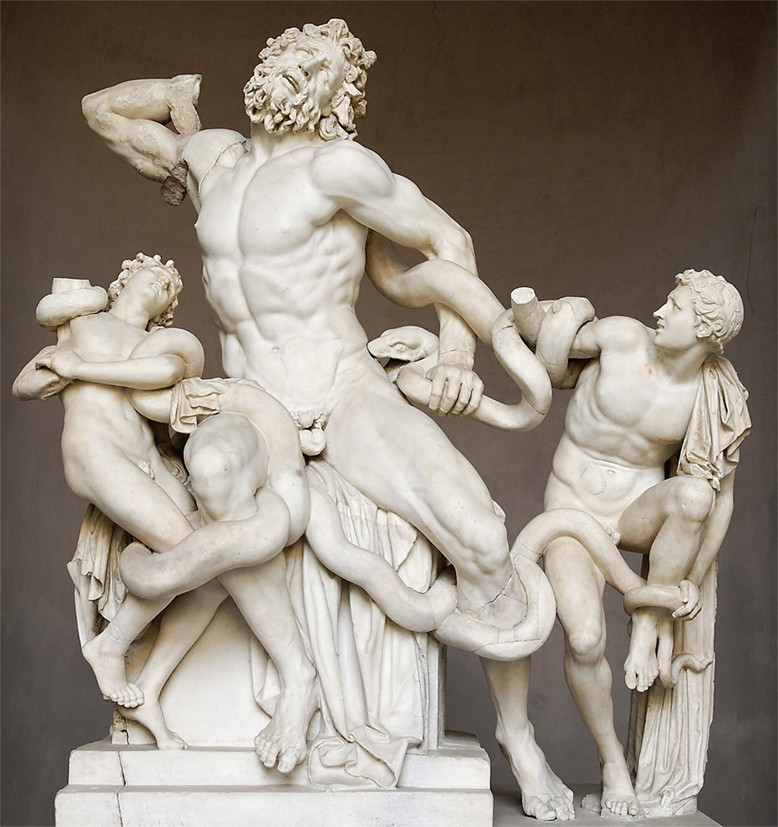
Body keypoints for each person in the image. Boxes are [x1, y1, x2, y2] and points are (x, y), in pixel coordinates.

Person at [81, 19, 576, 818]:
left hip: (346, 392)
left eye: (320, 65)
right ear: (263, 69)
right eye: (289, 54)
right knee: (214, 474)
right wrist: (172, 96)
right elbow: (103, 111)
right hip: (254, 401)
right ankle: (294, 676)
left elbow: (448, 239)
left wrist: (456, 356)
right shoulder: (212, 159)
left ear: (340, 97)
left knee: (480, 533)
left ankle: (518, 736)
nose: (297, 69)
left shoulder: (340, 167)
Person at [13, 256, 318, 772]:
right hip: (96, 452)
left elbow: (167, 381)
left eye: (169, 287)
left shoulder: (161, 346)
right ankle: (110, 647)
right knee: (195, 552)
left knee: (212, 564)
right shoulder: (83, 323)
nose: (160, 282)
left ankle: (150, 686)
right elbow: (24, 385)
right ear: (122, 280)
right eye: (150, 274)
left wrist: (80, 370)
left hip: (148, 461)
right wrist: (52, 369)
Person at [511, 269, 749, 817]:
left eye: (676, 307)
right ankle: (613, 762)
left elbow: (722, 500)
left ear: (705, 331)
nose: (660, 312)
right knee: (585, 639)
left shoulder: (713, 396)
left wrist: (688, 583)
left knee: (695, 495)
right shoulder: (620, 337)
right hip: (571, 511)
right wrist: (545, 309)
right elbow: (541, 339)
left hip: (633, 515)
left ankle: (647, 621)